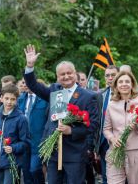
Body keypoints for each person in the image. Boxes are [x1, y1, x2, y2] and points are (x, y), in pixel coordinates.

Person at [23, 44, 99, 184]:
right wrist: (30, 65)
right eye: (62, 74)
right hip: (53, 153)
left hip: (75, 155)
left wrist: (72, 130)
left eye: (69, 73)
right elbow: (33, 85)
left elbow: (94, 125)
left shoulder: (88, 96)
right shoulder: (54, 90)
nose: (66, 76)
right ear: (57, 77)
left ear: (75, 74)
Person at [103, 71, 138, 184]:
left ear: (132, 84)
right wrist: (112, 139)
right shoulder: (111, 105)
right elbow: (106, 129)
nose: (124, 84)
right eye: (120, 82)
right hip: (115, 152)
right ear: (116, 85)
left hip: (136, 153)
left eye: (127, 81)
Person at [17, 83, 48, 184]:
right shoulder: (20, 99)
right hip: (24, 141)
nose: (25, 84)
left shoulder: (44, 98)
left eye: (27, 82)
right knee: (26, 173)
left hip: (39, 141)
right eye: (23, 82)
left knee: (34, 169)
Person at [95, 65, 119, 184]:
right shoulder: (101, 95)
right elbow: (97, 121)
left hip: (122, 142)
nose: (110, 78)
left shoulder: (128, 94)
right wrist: (95, 145)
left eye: (113, 75)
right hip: (104, 143)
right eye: (107, 75)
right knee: (106, 177)